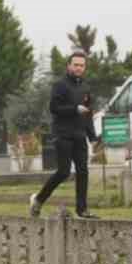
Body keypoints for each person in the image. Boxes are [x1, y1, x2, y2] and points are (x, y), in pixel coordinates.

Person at [30, 50, 97, 219]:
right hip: (63, 135)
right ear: (69, 66)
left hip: (80, 135)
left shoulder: (86, 87)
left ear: (85, 67)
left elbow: (88, 114)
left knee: (83, 171)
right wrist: (74, 109)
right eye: (75, 65)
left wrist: (93, 137)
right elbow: (54, 108)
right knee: (63, 172)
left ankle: (82, 210)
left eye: (82, 65)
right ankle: (38, 200)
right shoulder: (60, 85)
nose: (78, 68)